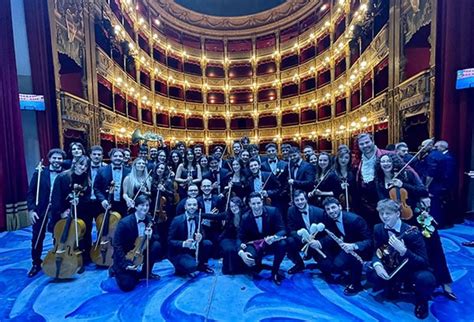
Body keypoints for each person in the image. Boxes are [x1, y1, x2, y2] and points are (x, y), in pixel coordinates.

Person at [369, 199, 435, 319]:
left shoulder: (413, 232)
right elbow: (376, 252)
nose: (384, 217)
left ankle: (422, 301)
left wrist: (404, 251)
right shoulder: (378, 228)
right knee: (372, 274)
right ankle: (394, 285)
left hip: (412, 269)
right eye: (381, 213)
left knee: (426, 279)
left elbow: (424, 262)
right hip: (392, 266)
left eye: (388, 213)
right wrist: (377, 265)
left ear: (397, 214)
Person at [316, 197, 372, 295]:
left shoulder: (355, 220)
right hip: (345, 247)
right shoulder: (328, 219)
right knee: (334, 265)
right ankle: (347, 270)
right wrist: (319, 243)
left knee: (351, 258)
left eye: (333, 207)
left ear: (340, 207)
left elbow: (369, 241)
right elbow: (331, 236)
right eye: (328, 209)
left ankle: (356, 284)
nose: (331, 211)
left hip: (360, 249)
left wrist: (354, 246)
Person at [26, 148, 66, 277]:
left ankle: (56, 260)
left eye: (59, 158)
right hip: (40, 210)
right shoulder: (40, 173)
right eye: (54, 158)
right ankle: (36, 263)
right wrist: (31, 210)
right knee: (37, 238)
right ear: (49, 159)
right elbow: (31, 193)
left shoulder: (66, 174)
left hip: (57, 211)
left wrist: (66, 210)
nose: (57, 161)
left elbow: (67, 194)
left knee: (58, 237)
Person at [112, 195, 161, 292]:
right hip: (127, 256)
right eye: (142, 205)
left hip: (141, 253)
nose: (145, 208)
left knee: (156, 245)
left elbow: (157, 237)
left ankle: (146, 272)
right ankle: (114, 270)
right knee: (127, 285)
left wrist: (151, 236)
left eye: (147, 205)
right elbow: (117, 244)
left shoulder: (150, 219)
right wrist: (125, 264)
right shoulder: (124, 223)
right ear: (136, 206)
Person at [238, 192, 287, 285]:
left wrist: (274, 237)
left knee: (283, 244)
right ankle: (257, 264)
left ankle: (275, 271)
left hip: (271, 242)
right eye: (253, 204)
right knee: (250, 263)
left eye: (258, 203)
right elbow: (240, 237)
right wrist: (241, 253)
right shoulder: (245, 217)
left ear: (262, 202)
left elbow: (283, 230)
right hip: (255, 244)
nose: (256, 206)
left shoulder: (273, 211)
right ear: (249, 204)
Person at [50, 155, 92, 263]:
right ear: (75, 163)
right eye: (81, 164)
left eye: (86, 166)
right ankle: (61, 257)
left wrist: (79, 201)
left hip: (81, 211)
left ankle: (82, 258)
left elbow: (87, 197)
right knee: (63, 235)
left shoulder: (87, 178)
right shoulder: (63, 177)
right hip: (64, 211)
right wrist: (61, 213)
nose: (83, 168)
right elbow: (56, 197)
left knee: (83, 234)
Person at [168, 197, 214, 276]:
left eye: (194, 205)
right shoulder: (177, 220)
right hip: (180, 251)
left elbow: (203, 234)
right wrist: (184, 243)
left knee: (207, 243)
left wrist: (201, 236)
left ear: (197, 207)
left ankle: (202, 265)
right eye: (189, 205)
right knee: (191, 267)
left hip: (193, 249)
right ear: (185, 207)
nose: (192, 207)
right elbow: (170, 241)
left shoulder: (198, 218)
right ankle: (180, 267)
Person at [285, 190, 325, 274]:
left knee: (327, 266)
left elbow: (325, 232)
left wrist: (317, 242)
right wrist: (303, 239)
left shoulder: (319, 211)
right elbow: (291, 230)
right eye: (297, 200)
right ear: (294, 201)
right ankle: (299, 264)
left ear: (306, 199)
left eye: (302, 199)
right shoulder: (290, 211)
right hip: (302, 240)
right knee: (289, 241)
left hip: (316, 241)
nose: (300, 202)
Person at [94, 148, 130, 216]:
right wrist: (103, 200)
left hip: (124, 206)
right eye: (115, 156)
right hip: (107, 204)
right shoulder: (101, 170)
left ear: (123, 158)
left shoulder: (129, 171)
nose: (118, 158)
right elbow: (96, 188)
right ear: (110, 157)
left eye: (120, 156)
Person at [219, 197, 247, 275]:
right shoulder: (228, 214)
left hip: (242, 239)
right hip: (228, 238)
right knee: (230, 249)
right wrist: (198, 215)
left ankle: (240, 268)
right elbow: (214, 216)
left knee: (240, 249)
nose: (234, 208)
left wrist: (244, 242)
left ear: (240, 205)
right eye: (231, 206)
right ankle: (229, 269)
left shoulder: (246, 214)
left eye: (236, 205)